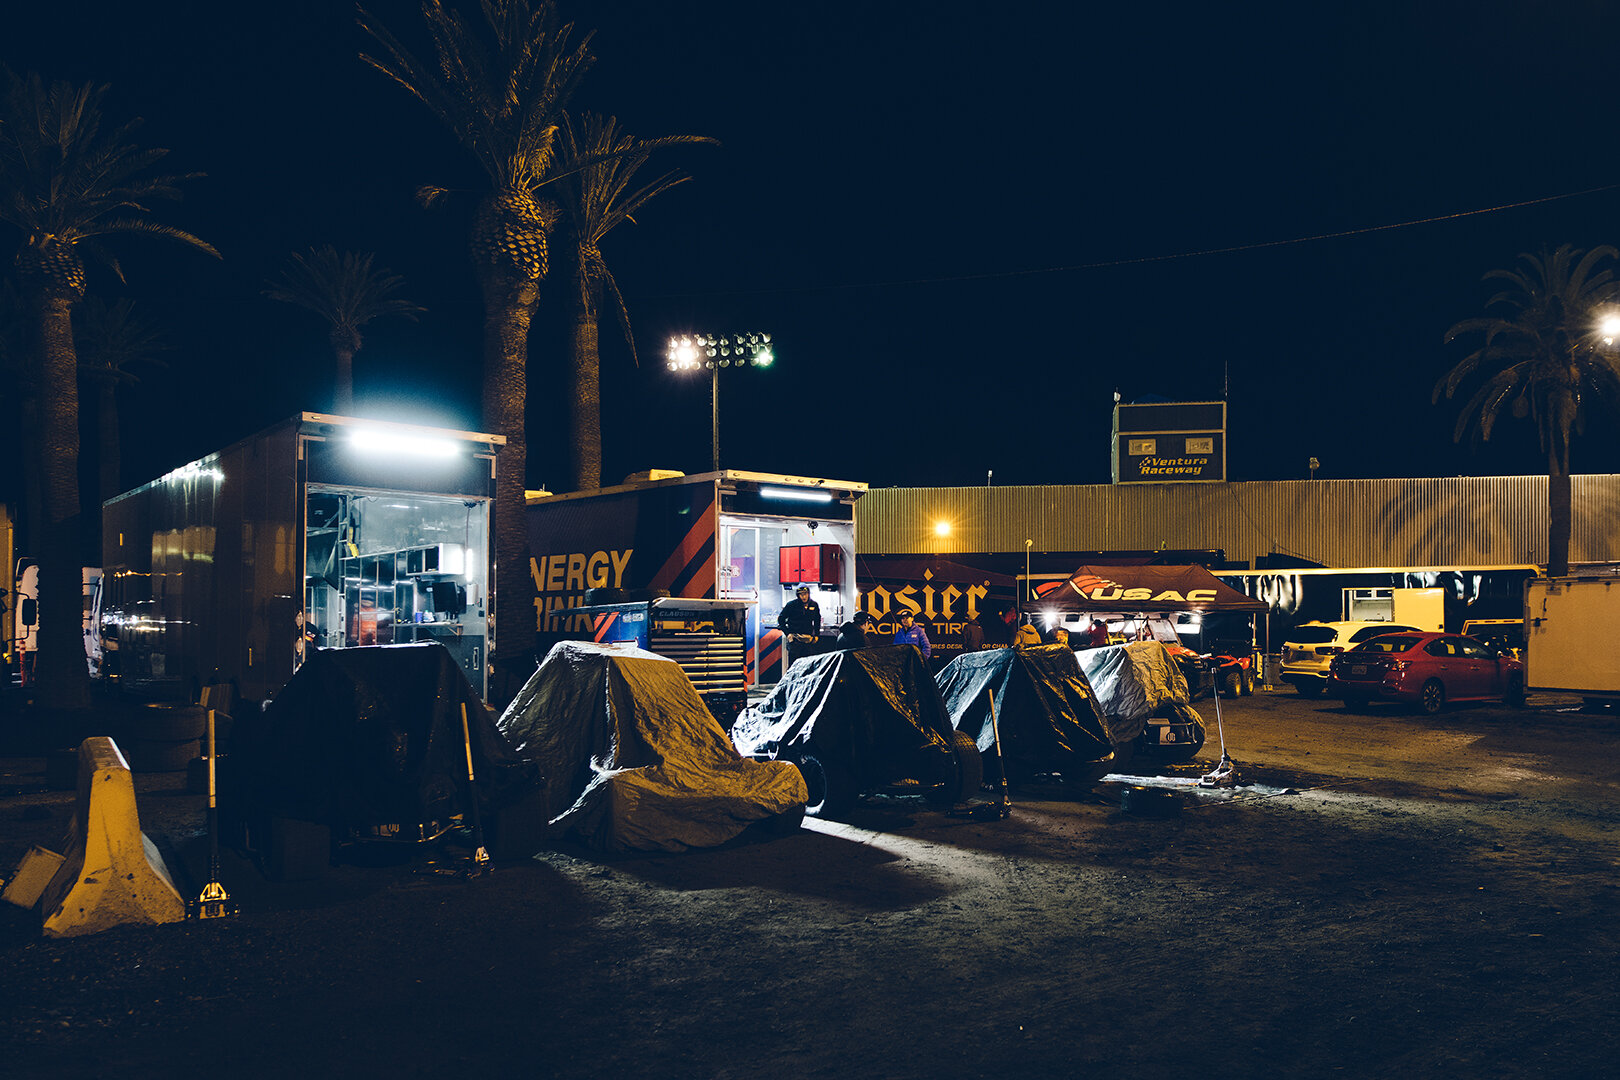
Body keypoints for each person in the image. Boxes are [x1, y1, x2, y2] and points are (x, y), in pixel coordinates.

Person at [778, 585, 822, 663]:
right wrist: (787, 633)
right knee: (794, 665)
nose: (803, 596)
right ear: (798, 595)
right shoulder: (791, 605)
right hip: (795, 639)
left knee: (807, 665)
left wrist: (816, 635)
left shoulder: (814, 605)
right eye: (801, 594)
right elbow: (781, 619)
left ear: (809, 594)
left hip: (808, 639)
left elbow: (817, 620)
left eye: (805, 593)